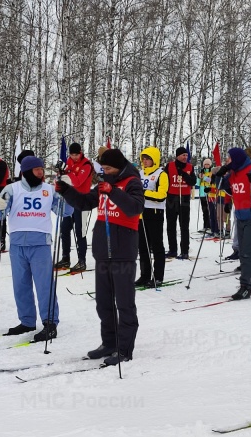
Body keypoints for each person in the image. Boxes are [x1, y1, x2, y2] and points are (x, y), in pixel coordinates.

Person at [56, 149, 144, 366]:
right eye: (102, 169)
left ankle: (125, 348)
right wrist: (66, 190)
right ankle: (109, 342)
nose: (104, 172)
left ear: (118, 167)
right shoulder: (104, 183)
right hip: (103, 251)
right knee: (103, 303)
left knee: (124, 303)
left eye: (108, 169)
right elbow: (86, 202)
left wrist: (113, 191)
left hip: (123, 251)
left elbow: (135, 208)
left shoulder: (132, 182)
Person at [0, 156, 63, 341]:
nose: (40, 172)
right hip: (17, 245)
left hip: (40, 244)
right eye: (36, 169)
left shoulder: (49, 190)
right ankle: (27, 321)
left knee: (44, 284)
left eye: (41, 169)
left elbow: (65, 212)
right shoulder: (12, 189)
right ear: (26, 171)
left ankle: (50, 322)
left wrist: (65, 196)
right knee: (20, 285)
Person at [215, 148, 251, 299]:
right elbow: (221, 186)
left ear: (238, 159)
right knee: (244, 251)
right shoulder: (234, 173)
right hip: (240, 214)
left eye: (230, 159)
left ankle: (245, 285)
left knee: (247, 252)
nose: (228, 161)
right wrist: (220, 173)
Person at [56, 142, 94, 274]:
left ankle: (82, 260)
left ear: (80, 152)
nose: (74, 157)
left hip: (82, 201)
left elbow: (78, 181)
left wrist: (67, 173)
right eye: (72, 155)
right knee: (64, 229)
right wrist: (61, 172)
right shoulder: (69, 161)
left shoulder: (86, 165)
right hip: (70, 200)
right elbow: (64, 178)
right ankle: (65, 258)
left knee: (80, 231)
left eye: (76, 154)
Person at [136, 146, 169, 288]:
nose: (145, 161)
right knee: (142, 246)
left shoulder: (161, 174)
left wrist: (144, 192)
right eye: (143, 158)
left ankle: (158, 276)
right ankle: (145, 275)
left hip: (155, 213)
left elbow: (162, 195)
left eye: (148, 158)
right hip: (141, 213)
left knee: (156, 246)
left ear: (154, 159)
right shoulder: (139, 174)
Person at [165, 147, 196, 259]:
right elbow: (164, 180)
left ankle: (184, 251)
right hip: (171, 198)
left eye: (186, 155)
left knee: (184, 226)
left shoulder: (190, 167)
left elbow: (193, 181)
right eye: (183, 155)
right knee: (171, 225)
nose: (185, 157)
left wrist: (184, 174)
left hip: (184, 198)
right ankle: (172, 250)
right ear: (177, 156)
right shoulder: (169, 166)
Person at [197, 158, 213, 233]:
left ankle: (210, 226)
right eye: (205, 164)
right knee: (204, 210)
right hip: (202, 193)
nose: (206, 166)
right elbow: (197, 183)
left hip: (209, 193)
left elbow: (211, 181)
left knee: (209, 210)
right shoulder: (201, 171)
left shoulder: (212, 172)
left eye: (208, 164)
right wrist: (198, 177)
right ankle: (205, 226)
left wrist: (204, 177)